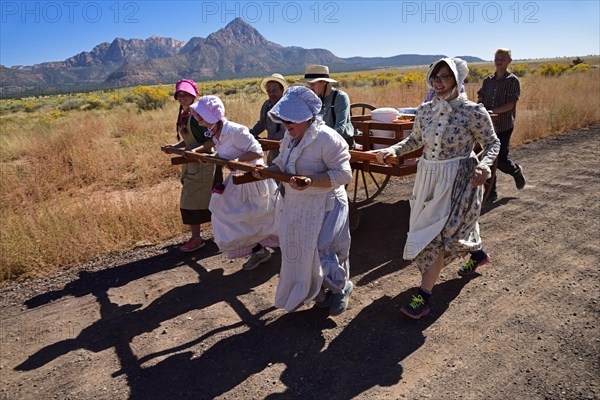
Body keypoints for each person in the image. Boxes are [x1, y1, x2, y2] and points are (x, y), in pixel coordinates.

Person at [373, 58, 500, 319]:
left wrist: (485, 167)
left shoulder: (473, 111)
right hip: (428, 177)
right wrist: (392, 150)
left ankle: (424, 297)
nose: (438, 83)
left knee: (437, 236)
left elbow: (492, 144)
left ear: (457, 80)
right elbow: (415, 140)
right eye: (435, 77)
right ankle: (478, 254)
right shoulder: (425, 110)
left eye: (444, 77)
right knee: (446, 227)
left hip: (459, 179)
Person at [251, 86, 354, 316]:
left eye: (292, 120)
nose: (287, 125)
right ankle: (316, 290)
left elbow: (344, 174)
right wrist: (266, 170)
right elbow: (283, 165)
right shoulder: (289, 138)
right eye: (285, 120)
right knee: (301, 249)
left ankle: (341, 288)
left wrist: (312, 181)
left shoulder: (327, 138)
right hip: (299, 205)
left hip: (326, 203)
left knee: (324, 249)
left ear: (307, 117)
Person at [189, 95, 280, 270]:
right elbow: (225, 155)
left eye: (199, 115)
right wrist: (212, 158)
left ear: (209, 116)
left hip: (252, 178)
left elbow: (257, 152)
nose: (197, 118)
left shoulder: (235, 131)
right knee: (224, 212)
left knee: (253, 216)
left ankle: (271, 250)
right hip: (237, 178)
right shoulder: (216, 132)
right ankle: (259, 250)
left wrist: (236, 161)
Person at [161, 79, 219, 252]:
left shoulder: (197, 116)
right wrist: (174, 148)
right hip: (193, 165)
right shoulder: (185, 115)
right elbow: (188, 141)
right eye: (180, 95)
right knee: (196, 201)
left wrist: (197, 152)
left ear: (193, 96)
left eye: (186, 94)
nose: (182, 98)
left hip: (205, 164)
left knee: (195, 202)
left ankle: (200, 238)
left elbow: (212, 139)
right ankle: (204, 236)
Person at [477, 48, 526, 202]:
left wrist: (491, 111)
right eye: (497, 58)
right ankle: (491, 192)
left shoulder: (512, 80)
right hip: (487, 126)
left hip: (504, 126)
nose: (499, 61)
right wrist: (480, 109)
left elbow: (511, 104)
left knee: (501, 160)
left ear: (509, 61)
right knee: (487, 158)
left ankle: (516, 171)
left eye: (502, 59)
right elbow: (481, 98)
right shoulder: (487, 80)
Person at [299, 65, 355, 148]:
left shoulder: (340, 97)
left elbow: (340, 128)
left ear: (324, 82)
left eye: (313, 84)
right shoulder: (315, 99)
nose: (310, 88)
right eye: (309, 85)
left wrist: (321, 142)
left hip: (342, 142)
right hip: (321, 143)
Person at [249, 73, 288, 165]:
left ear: (282, 90)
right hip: (273, 149)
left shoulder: (287, 106)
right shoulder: (267, 105)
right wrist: (250, 134)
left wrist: (267, 141)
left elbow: (285, 131)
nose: (271, 93)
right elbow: (262, 124)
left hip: (286, 149)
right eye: (269, 91)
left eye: (274, 90)